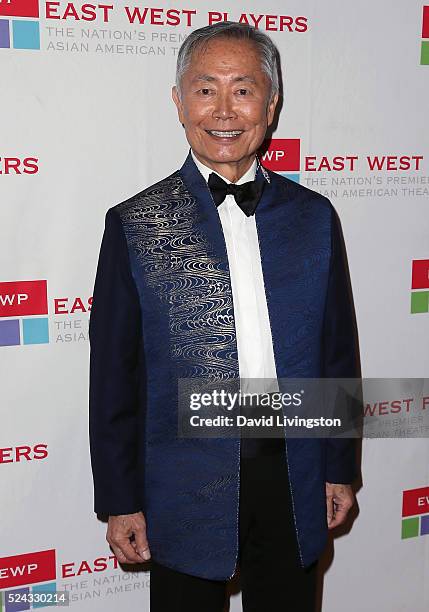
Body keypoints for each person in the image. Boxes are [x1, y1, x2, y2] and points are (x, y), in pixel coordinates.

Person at [89, 21, 360, 612]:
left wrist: (338, 465)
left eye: (243, 89)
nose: (224, 109)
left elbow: (336, 351)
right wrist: (118, 497)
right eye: (205, 88)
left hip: (291, 463)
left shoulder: (315, 218)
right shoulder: (137, 223)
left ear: (272, 101)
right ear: (179, 100)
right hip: (180, 474)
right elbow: (114, 375)